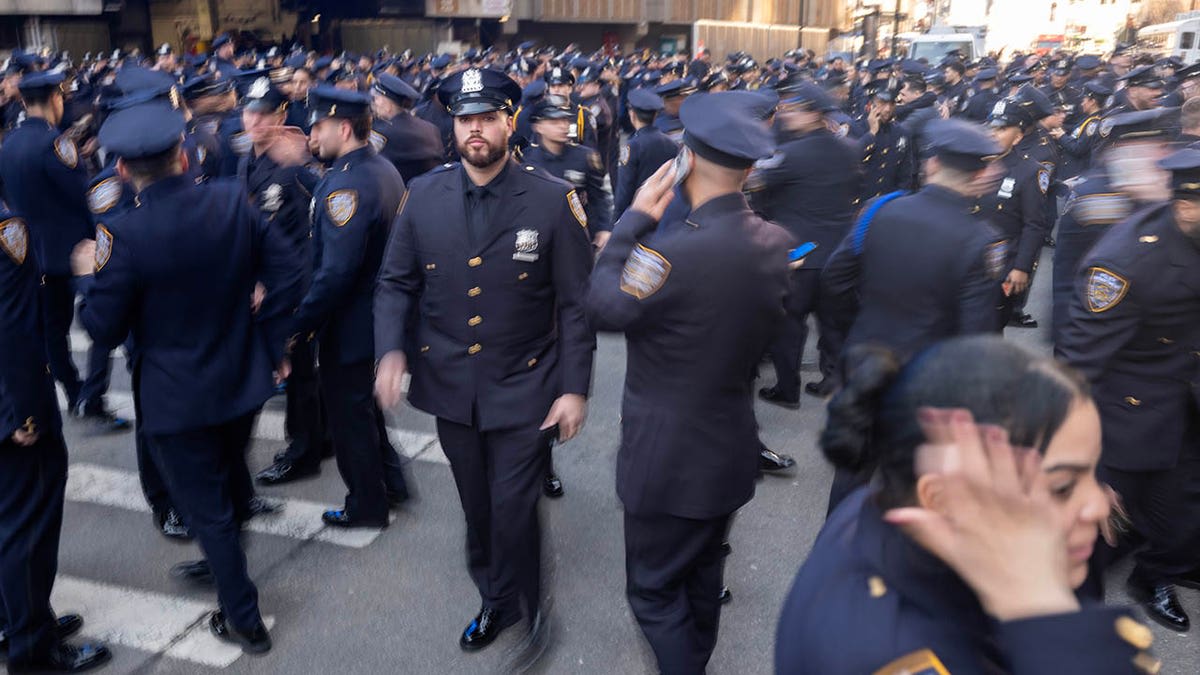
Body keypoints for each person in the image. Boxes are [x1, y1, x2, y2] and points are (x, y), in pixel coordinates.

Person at [776, 336, 1160, 674]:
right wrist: (1041, 611)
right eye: (1061, 486)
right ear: (942, 498)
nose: (1097, 505)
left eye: (1094, 474)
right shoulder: (895, 654)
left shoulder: (884, 505)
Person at [74, 88, 303, 655]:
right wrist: (270, 341)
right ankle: (225, 566)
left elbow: (102, 328)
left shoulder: (121, 235)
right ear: (183, 154)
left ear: (123, 170)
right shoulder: (229, 200)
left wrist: (86, 276)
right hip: (238, 377)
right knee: (227, 489)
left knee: (209, 507)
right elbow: (289, 273)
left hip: (176, 395)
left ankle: (242, 615)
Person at [374, 67, 595, 653]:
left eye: (487, 118)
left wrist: (575, 388)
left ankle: (528, 607)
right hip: (451, 384)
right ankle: (493, 593)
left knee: (514, 504)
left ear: (509, 122)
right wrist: (391, 350)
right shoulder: (424, 194)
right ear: (453, 124)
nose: (475, 130)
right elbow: (395, 283)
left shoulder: (551, 200)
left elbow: (576, 304)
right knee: (477, 503)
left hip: (526, 383)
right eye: (465, 119)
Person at [587, 91, 793, 675]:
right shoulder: (773, 242)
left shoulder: (670, 251)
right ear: (750, 169)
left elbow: (602, 307)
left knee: (654, 593)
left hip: (668, 460)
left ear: (685, 161)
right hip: (728, 448)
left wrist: (631, 223)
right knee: (702, 577)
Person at [822, 119, 1009, 510]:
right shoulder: (980, 240)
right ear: (978, 174)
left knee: (853, 473)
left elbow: (835, 283)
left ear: (932, 164)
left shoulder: (879, 209)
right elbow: (976, 339)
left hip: (865, 362)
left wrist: (847, 343)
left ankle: (835, 553)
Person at [1057, 146, 1200, 632]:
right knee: (1096, 530)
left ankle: (1155, 573)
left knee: (1183, 515)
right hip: (1128, 410)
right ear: (1186, 204)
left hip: (1186, 397)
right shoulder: (1125, 262)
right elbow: (1080, 367)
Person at [1, 203, 111, 673]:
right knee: (27, 530)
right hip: (14, 409)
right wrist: (24, 416)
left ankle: (21, 619)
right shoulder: (6, 231)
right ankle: (33, 650)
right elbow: (13, 331)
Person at [294, 85, 410, 528]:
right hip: (375, 318)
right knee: (365, 411)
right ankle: (392, 484)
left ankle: (367, 506)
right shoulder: (380, 168)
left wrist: (301, 322)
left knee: (349, 422)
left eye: (318, 126)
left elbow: (336, 273)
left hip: (350, 326)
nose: (311, 136)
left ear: (343, 127)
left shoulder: (346, 186)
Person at [235, 75, 329, 487]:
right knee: (294, 371)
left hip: (295, 285)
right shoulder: (246, 162)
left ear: (281, 115)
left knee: (300, 373)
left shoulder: (294, 169)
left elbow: (313, 232)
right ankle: (318, 438)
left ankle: (303, 450)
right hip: (267, 284)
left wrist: (293, 291)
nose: (255, 121)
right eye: (249, 111)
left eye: (264, 113)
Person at [750, 78, 860, 405]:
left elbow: (759, 187)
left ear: (814, 114)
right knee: (835, 323)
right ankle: (832, 379)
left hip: (800, 253)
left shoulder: (789, 154)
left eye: (794, 109)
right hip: (840, 252)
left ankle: (787, 389)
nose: (786, 115)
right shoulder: (850, 149)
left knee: (789, 324)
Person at [0, 71, 92, 416]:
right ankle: (86, 393)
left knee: (50, 331)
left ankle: (71, 388)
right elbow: (82, 199)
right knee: (94, 319)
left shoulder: (8, 144)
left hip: (26, 254)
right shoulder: (58, 144)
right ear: (57, 98)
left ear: (23, 102)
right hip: (68, 254)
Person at [1050, 108, 1172, 350]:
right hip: (1100, 328)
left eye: (1160, 147)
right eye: (1145, 151)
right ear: (1121, 153)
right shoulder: (1091, 198)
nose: (1158, 157)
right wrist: (1067, 340)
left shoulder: (1169, 190)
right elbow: (1067, 273)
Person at [972, 89, 1053, 330]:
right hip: (967, 261)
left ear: (1017, 137)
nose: (994, 134)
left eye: (1002, 129)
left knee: (991, 328)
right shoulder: (974, 162)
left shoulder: (1029, 171)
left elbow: (1034, 224)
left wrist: (1021, 267)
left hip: (1000, 266)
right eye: (992, 128)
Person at [613, 88, 677, 227]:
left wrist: (617, 221)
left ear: (632, 114)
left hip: (637, 214)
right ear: (655, 116)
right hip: (664, 211)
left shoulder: (632, 146)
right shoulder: (671, 144)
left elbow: (625, 188)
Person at [369, 73, 444, 183]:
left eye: (376, 98)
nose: (374, 103)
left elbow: (371, 167)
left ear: (388, 104)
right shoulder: (430, 128)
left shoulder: (384, 134)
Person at [854, 76, 916, 201]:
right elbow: (850, 161)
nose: (888, 109)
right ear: (871, 104)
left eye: (892, 103)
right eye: (882, 103)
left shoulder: (901, 133)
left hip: (887, 204)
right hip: (858, 203)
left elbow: (906, 176)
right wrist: (871, 134)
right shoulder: (854, 128)